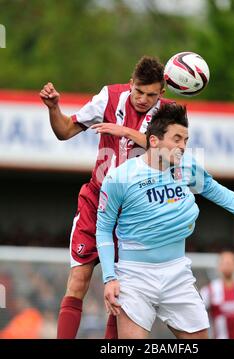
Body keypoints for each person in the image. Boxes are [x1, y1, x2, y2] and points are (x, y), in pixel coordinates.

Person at [96, 103, 234, 339]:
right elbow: (104, 228)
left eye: (186, 140)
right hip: (134, 276)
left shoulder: (185, 167)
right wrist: (110, 278)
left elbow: (211, 187)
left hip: (177, 272)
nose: (182, 146)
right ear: (154, 141)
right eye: (176, 139)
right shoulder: (119, 177)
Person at [40, 56, 172, 339]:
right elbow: (64, 131)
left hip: (136, 211)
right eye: (138, 91)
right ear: (130, 83)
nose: (142, 99)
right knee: (78, 279)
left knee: (121, 296)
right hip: (97, 201)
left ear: (162, 93)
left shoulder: (170, 114)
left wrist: (124, 131)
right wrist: (54, 108)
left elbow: (169, 155)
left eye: (151, 94)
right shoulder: (109, 97)